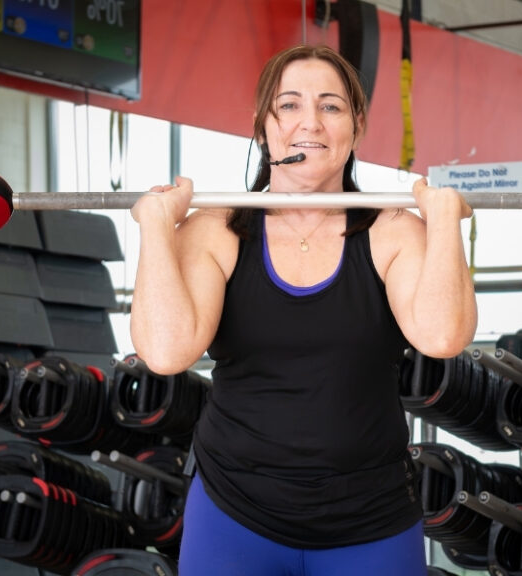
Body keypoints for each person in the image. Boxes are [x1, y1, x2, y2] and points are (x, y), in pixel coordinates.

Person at [130, 44, 477, 576]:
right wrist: (156, 225)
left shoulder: (392, 232)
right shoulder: (216, 230)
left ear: (356, 125)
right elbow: (165, 351)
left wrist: (446, 224)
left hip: (372, 519)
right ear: (262, 123)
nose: (309, 122)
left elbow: (443, 337)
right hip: (234, 513)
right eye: (288, 105)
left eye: (331, 106)